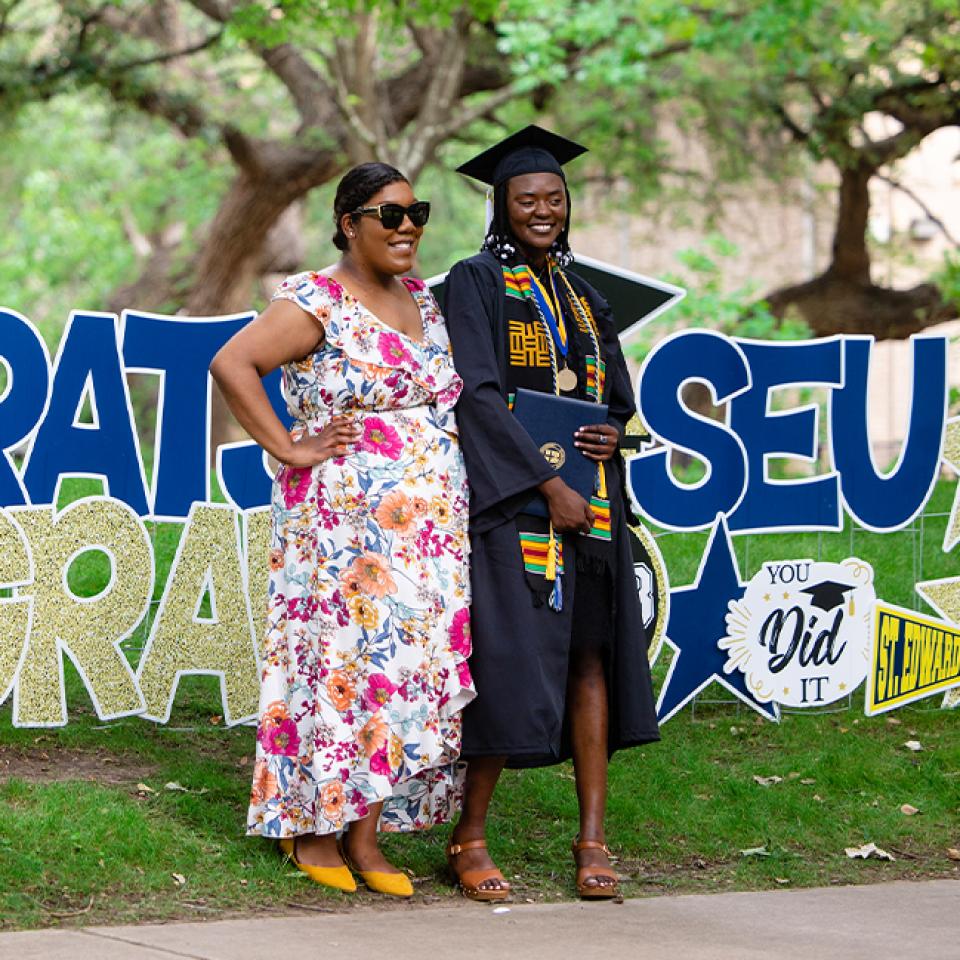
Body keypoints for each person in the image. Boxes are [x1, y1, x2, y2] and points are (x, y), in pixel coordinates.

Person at [210, 163, 475, 897]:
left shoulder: (425, 299)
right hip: (341, 527)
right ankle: (313, 828)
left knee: (401, 672)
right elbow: (233, 364)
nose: (408, 227)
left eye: (415, 212)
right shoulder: (315, 300)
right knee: (338, 664)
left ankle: (367, 832)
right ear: (349, 222)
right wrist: (289, 447)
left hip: (427, 532)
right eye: (388, 215)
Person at [442, 126, 660, 901]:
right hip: (516, 510)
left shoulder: (585, 295)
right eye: (527, 199)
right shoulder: (473, 284)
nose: (544, 211)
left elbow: (615, 393)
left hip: (595, 505)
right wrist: (545, 485)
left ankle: (593, 841)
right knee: (511, 662)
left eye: (555, 200)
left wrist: (611, 427)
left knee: (592, 658)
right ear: (502, 207)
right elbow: (477, 394)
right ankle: (468, 837)